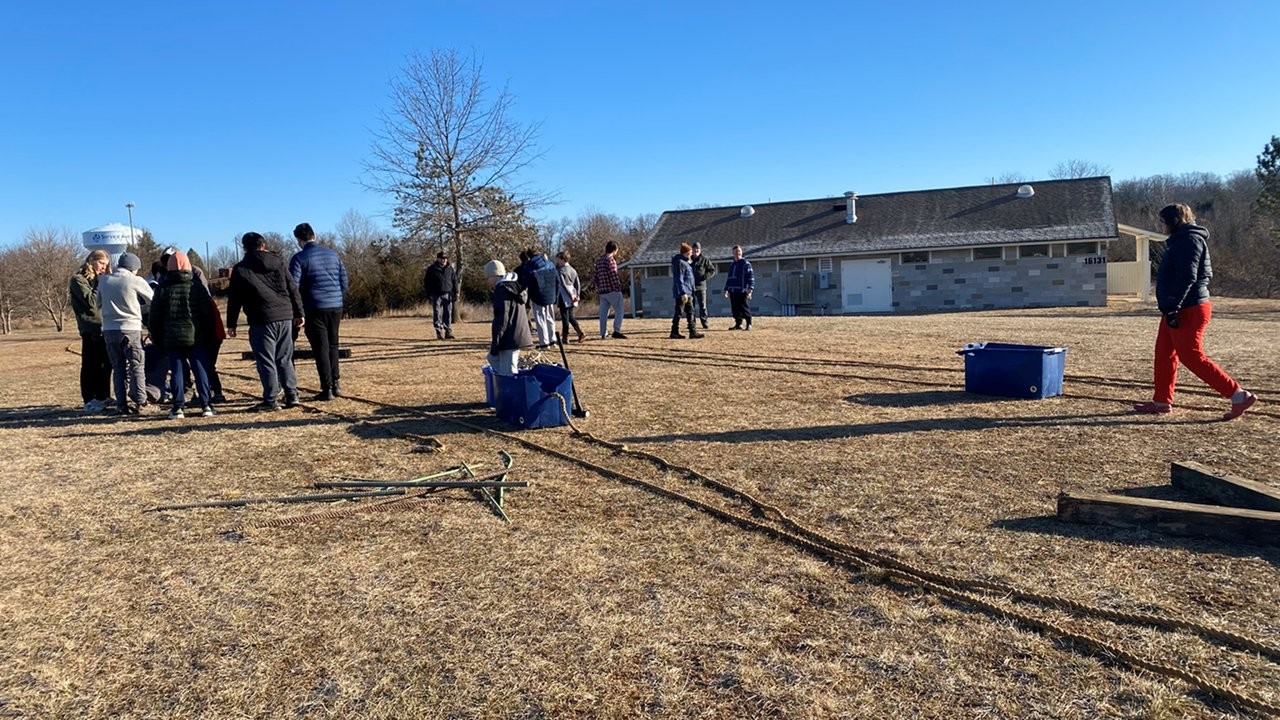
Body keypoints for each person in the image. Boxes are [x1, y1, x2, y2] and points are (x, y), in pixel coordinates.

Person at [1134, 203, 1257, 420]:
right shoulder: (1181, 240)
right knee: (1164, 353)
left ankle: (1238, 395)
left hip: (1188, 308)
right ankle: (1161, 401)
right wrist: (1170, 307)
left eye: (1163, 222)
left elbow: (1187, 277)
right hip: (1176, 307)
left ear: (1174, 221)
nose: (1162, 226)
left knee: (1191, 356)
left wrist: (1174, 307)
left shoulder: (1189, 240)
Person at [226, 232, 305, 412]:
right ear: (263, 245)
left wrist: (231, 324)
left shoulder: (241, 268)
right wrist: (299, 312)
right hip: (284, 315)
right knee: (285, 358)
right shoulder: (279, 262)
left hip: (261, 318)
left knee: (266, 360)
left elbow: (234, 299)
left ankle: (271, 399)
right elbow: (292, 287)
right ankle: (292, 394)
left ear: (245, 248)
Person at [148, 250, 216, 419]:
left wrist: (156, 337)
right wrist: (209, 336)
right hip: (196, 338)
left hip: (171, 339)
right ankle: (206, 405)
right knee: (200, 371)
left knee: (177, 373)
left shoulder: (162, 289)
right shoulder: (197, 287)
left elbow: (154, 317)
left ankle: (178, 407)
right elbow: (207, 315)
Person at [289, 223, 349, 400]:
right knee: (333, 344)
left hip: (314, 307)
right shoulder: (333, 254)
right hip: (335, 305)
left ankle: (327, 387)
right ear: (314, 235)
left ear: (299, 240)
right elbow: (344, 281)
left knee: (320, 347)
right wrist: (336, 295)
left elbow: (293, 286)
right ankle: (336, 383)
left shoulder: (299, 258)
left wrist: (298, 309)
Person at [96, 252, 154, 414]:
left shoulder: (104, 281)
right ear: (133, 268)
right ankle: (141, 402)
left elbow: (98, 303)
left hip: (109, 329)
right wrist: (139, 308)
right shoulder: (135, 280)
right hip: (130, 328)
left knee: (118, 368)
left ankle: (121, 404)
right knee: (136, 366)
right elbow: (153, 299)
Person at [69, 250, 113, 412]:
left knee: (106, 364)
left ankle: (104, 395)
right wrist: (100, 284)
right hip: (90, 327)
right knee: (91, 364)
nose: (103, 268)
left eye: (106, 265)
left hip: (106, 325)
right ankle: (89, 398)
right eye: (101, 263)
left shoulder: (102, 279)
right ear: (92, 260)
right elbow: (92, 302)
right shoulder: (78, 279)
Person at [485, 259, 532, 377]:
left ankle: (510, 387)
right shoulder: (513, 287)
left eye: (488, 278)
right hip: (516, 334)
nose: (487, 281)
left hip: (510, 336)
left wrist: (496, 344)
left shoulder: (502, 290)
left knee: (508, 372)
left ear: (494, 275)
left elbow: (502, 319)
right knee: (497, 361)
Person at [519, 246, 560, 349]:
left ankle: (544, 343)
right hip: (550, 295)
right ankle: (552, 340)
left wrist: (523, 293)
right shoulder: (550, 264)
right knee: (550, 318)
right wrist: (556, 295)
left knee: (540, 319)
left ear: (529, 255)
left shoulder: (529, 266)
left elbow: (526, 283)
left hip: (537, 296)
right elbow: (557, 280)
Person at [670, 243, 704, 339]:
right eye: (689, 253)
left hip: (688, 292)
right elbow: (679, 279)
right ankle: (674, 332)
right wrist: (683, 292)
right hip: (682, 293)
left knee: (690, 311)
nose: (691, 254)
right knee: (679, 312)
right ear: (685, 253)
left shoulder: (686, 263)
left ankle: (692, 332)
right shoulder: (680, 262)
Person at [594, 240, 627, 339]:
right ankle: (616, 330)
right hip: (612, 290)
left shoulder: (599, 261)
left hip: (602, 291)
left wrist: (599, 287)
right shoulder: (610, 260)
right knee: (619, 310)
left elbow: (596, 277)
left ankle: (603, 333)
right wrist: (617, 287)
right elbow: (613, 275)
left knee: (603, 313)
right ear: (614, 250)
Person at [421, 251, 458, 341]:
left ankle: (448, 331)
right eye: (442, 258)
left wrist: (455, 292)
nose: (444, 260)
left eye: (445, 258)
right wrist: (428, 293)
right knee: (437, 313)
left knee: (448, 313)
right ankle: (439, 332)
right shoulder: (432, 269)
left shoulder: (450, 268)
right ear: (438, 259)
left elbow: (454, 280)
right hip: (436, 294)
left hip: (448, 294)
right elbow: (427, 282)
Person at [554, 250, 585, 343]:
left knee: (565, 317)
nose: (557, 261)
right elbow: (577, 283)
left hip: (564, 295)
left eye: (558, 259)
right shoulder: (573, 270)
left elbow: (563, 284)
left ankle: (565, 337)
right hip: (572, 292)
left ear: (562, 259)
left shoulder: (561, 271)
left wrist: (570, 295)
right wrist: (577, 294)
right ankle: (580, 332)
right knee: (570, 315)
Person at [723, 244, 754, 330]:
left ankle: (749, 324)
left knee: (744, 307)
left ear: (742, 252)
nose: (737, 253)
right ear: (733, 253)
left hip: (742, 290)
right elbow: (729, 278)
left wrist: (750, 288)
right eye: (735, 252)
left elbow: (751, 276)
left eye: (739, 251)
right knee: (735, 308)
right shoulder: (732, 265)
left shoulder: (746, 264)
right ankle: (738, 324)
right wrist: (726, 289)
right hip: (733, 290)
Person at [689, 241, 717, 330]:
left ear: (700, 250)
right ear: (692, 250)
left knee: (703, 306)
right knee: (690, 306)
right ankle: (691, 323)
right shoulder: (689, 260)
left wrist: (705, 277)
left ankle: (704, 322)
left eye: (697, 249)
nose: (696, 250)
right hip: (690, 287)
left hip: (701, 287)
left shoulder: (705, 260)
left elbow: (712, 270)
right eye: (694, 249)